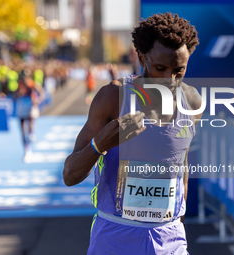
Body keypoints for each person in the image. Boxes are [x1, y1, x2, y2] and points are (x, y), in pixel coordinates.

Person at [63, 12, 203, 255]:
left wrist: (178, 223)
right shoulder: (113, 98)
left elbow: (182, 164)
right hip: (116, 235)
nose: (170, 80)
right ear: (141, 57)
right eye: (161, 68)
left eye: (179, 70)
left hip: (170, 237)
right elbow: (70, 175)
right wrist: (100, 144)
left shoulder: (191, 101)